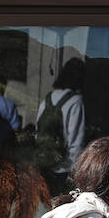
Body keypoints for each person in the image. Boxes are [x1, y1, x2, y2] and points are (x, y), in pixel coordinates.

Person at [34, 56, 88, 197]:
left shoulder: (48, 97)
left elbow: (37, 129)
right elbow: (76, 139)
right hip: (63, 168)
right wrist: (76, 173)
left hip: (44, 163)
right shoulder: (76, 100)